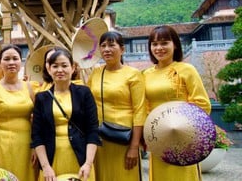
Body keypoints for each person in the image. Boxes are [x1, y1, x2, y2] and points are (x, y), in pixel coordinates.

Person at [143, 25, 210, 181]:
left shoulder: (186, 69)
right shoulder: (146, 74)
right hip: (158, 137)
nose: (159, 48)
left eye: (164, 43)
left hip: (183, 137)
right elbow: (144, 105)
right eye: (154, 44)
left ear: (175, 45)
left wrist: (178, 124)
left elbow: (202, 103)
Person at [31, 48, 100, 181]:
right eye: (55, 66)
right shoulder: (41, 98)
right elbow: (37, 135)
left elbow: (92, 130)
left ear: (73, 68)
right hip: (51, 160)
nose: (60, 70)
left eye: (64, 65)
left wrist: (88, 163)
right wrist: (45, 166)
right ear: (49, 69)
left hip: (80, 159)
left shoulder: (84, 93)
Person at [87, 32, 145, 181]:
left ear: (122, 49)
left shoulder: (133, 74)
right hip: (99, 136)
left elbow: (139, 110)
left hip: (123, 137)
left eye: (112, 45)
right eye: (103, 46)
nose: (107, 49)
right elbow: (87, 102)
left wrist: (134, 146)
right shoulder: (96, 72)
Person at [0, 44, 36, 180]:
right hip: (3, 145)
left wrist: (36, 146)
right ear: (1, 63)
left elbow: (35, 119)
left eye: (15, 58)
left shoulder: (29, 87)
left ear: (21, 61)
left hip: (27, 144)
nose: (11, 62)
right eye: (6, 59)